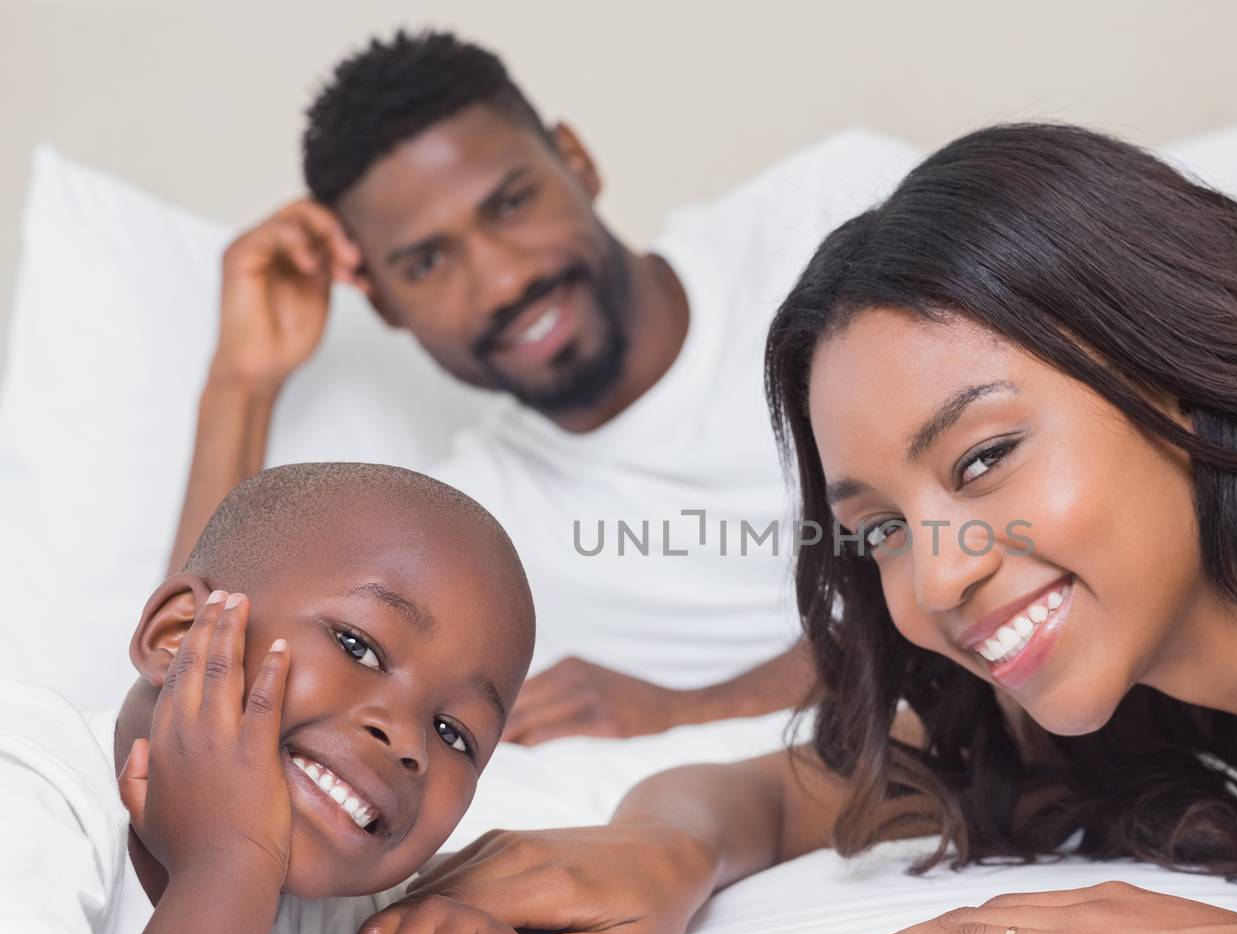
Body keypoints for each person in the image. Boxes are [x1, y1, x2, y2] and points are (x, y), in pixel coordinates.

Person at [399, 124, 1237, 934]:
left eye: (984, 458)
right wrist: (661, 844)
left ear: (1169, 366)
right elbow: (784, 789)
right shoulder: (1213, 656)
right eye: (874, 530)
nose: (940, 573)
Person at [168, 30, 919, 744]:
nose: (501, 279)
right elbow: (189, 699)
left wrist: (697, 707)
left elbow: (1016, 512)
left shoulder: (837, 211)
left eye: (511, 203)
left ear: (577, 161)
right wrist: (240, 384)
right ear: (385, 304)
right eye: (427, 263)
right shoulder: (472, 529)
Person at [0, 463, 540, 934]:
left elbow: (540, 891)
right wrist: (228, 858)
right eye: (357, 646)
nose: (407, 740)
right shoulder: (28, 785)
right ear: (178, 634)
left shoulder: (318, 907)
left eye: (454, 733)